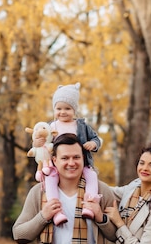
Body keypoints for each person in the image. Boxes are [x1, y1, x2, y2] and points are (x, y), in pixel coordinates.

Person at [33, 82, 102, 225]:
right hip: (55, 164)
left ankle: (89, 204)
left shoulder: (81, 126)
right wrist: (37, 144)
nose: (62, 112)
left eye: (67, 108)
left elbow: (96, 138)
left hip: (79, 162)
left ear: (74, 110)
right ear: (54, 109)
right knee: (50, 181)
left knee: (92, 176)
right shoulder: (51, 126)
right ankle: (56, 211)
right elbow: (41, 143)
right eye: (58, 108)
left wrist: (93, 144)